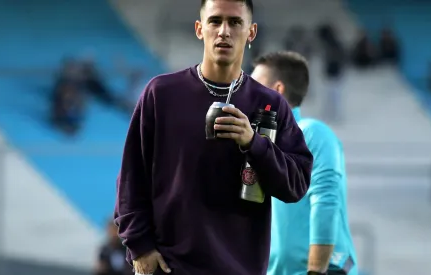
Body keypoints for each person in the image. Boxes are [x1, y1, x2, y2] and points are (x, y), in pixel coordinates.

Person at [114, 1, 314, 275]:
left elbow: (297, 183)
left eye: (234, 22)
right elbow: (131, 177)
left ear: (251, 32)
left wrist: (253, 143)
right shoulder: (161, 94)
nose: (223, 31)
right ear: (199, 28)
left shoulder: (271, 104)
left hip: (240, 267)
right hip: (169, 267)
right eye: (215, 21)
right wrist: (140, 246)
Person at [251, 51, 358, 275]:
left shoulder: (312, 134)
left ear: (277, 91)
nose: (248, 93)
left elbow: (326, 201)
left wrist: (316, 271)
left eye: (255, 86)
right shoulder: (259, 143)